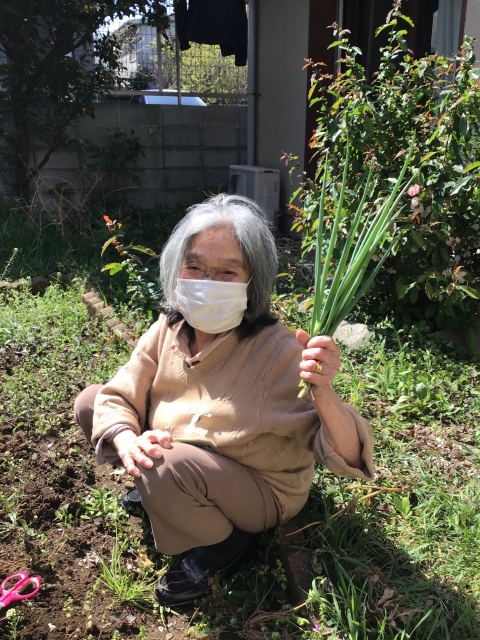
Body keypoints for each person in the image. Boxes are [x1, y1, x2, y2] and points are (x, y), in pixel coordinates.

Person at [74, 194, 374, 606]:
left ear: (254, 282)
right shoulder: (169, 327)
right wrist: (127, 441)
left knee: (162, 464)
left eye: (227, 272)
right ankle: (170, 493)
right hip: (183, 455)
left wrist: (323, 392)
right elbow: (119, 392)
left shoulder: (278, 352)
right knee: (91, 404)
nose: (205, 282)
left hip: (257, 485)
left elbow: (347, 456)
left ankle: (226, 544)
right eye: (194, 266)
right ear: (177, 267)